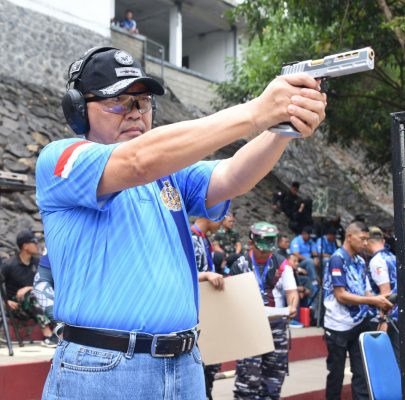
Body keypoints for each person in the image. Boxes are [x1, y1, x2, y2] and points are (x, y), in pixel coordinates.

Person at [35, 46, 325, 399]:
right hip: (104, 365)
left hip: (183, 362)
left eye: (143, 102)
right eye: (118, 101)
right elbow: (138, 161)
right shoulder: (61, 158)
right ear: (79, 110)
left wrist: (283, 125)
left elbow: (232, 176)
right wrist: (256, 112)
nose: (135, 112)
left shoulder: (166, 172)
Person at [323, 221, 393, 400]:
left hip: (360, 323)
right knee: (336, 374)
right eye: (362, 239)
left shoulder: (360, 261)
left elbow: (366, 290)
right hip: (337, 325)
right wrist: (373, 300)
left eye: (367, 239)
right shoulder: (337, 259)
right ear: (349, 237)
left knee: (361, 373)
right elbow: (341, 295)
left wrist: (380, 302)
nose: (365, 243)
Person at [230, 222, 299, 399]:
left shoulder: (282, 264)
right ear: (251, 243)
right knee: (248, 380)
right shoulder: (240, 265)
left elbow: (292, 292)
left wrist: (292, 306)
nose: (266, 253)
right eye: (262, 250)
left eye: (269, 249)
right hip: (250, 327)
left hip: (276, 325)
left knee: (273, 381)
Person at [0, 230, 57, 347]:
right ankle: (49, 335)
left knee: (43, 293)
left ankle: (63, 332)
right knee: (32, 295)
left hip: (37, 301)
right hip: (17, 307)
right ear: (25, 246)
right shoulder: (9, 265)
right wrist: (5, 302)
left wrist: (29, 288)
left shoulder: (39, 263)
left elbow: (49, 283)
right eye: (34, 242)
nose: (37, 245)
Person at [191, 217, 224, 400]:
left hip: (208, 310)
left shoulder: (205, 239)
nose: (222, 222)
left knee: (210, 371)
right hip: (195, 314)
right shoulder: (191, 237)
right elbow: (183, 273)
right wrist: (205, 275)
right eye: (221, 217)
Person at [366, 226, 399, 363]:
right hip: (398, 313)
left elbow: (386, 292)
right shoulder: (392, 256)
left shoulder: (377, 261)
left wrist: (384, 319)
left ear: (368, 242)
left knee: (388, 358)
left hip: (388, 315)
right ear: (383, 241)